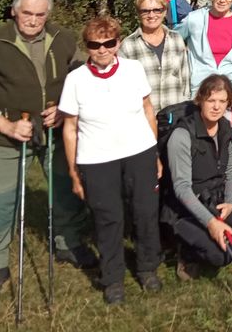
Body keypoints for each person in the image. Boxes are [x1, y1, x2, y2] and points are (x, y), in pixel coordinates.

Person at [0, 0, 96, 301]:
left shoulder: (64, 39)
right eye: (27, 13)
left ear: (47, 14)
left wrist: (64, 109)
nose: (33, 20)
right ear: (14, 11)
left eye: (40, 15)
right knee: (0, 201)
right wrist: (6, 125)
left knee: (65, 189)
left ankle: (67, 243)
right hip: (8, 135)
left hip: (55, 131)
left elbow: (83, 76)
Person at [59, 16, 162, 305]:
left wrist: (154, 153)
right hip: (97, 159)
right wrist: (74, 172)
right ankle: (113, 278)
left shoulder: (133, 69)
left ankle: (147, 267)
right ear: (87, 47)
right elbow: (70, 128)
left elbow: (148, 110)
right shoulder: (76, 80)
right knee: (108, 219)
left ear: (118, 43)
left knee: (145, 213)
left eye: (109, 43)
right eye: (95, 45)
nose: (102, 49)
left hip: (139, 152)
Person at [164, 74, 232, 281]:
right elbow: (182, 189)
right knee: (222, 256)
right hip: (187, 208)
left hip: (217, 199)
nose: (216, 107)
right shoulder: (182, 135)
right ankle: (186, 250)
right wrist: (211, 223)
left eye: (222, 101)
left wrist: (231, 202)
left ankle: (219, 235)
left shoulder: (227, 129)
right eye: (211, 100)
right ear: (200, 100)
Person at [120, 0, 191, 111]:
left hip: (175, 115)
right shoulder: (128, 46)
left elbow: (185, 80)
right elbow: (123, 88)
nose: (151, 15)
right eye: (145, 11)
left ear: (164, 11)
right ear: (138, 13)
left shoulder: (176, 39)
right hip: (144, 116)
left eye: (157, 10)